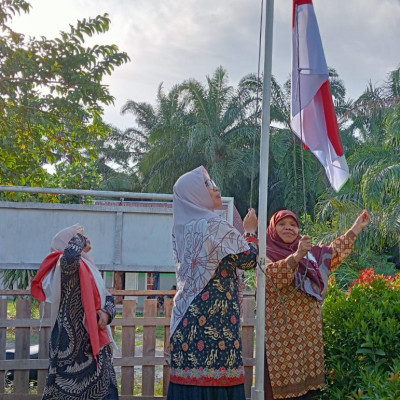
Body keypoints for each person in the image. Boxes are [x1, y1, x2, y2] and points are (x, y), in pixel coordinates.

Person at [167, 165, 259, 400]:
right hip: (215, 324)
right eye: (207, 184)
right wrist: (250, 232)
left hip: (186, 318)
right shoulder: (213, 225)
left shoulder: (183, 228)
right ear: (194, 193)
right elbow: (248, 259)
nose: (215, 187)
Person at [263, 209, 370, 400]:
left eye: (293, 225)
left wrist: (356, 228)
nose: (288, 228)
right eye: (282, 224)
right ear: (272, 228)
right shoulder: (265, 252)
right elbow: (272, 279)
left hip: (308, 339)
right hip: (281, 342)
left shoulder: (310, 254)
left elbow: (333, 254)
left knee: (309, 394)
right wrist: (296, 256)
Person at [31, 224, 119, 400]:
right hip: (70, 346)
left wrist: (107, 314)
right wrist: (79, 237)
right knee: (69, 391)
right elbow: (70, 256)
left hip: (94, 343)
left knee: (103, 390)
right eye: (78, 239)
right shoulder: (63, 267)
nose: (87, 243)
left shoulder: (90, 269)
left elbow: (108, 297)